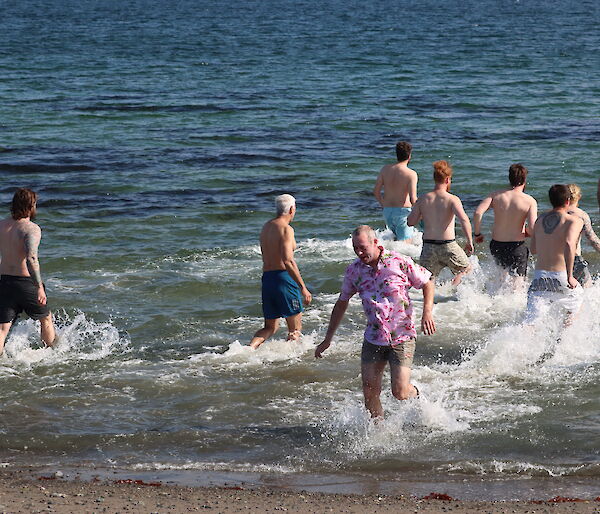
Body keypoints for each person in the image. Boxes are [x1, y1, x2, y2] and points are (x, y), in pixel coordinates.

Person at [314, 225, 435, 419]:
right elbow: (342, 302)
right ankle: (379, 434)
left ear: (375, 242)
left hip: (401, 336)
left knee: (400, 392)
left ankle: (419, 397)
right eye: (356, 249)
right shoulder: (354, 271)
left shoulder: (399, 262)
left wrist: (427, 312)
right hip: (374, 337)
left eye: (363, 247)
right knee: (370, 392)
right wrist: (328, 339)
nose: (359, 252)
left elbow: (427, 281)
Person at [249, 194, 312, 349]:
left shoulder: (266, 227)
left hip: (268, 280)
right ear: (292, 209)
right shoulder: (286, 229)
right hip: (284, 279)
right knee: (295, 329)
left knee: (270, 327)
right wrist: (303, 287)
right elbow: (288, 260)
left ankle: (249, 349)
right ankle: (293, 363)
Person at [0, 188, 56, 355]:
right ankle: (52, 355)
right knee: (45, 318)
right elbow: (31, 258)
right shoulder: (31, 228)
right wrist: (39, 286)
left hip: (4, 281)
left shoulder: (2, 225)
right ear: (31, 205)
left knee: (2, 327)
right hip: (25, 283)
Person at [407, 160, 473, 286]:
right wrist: (469, 241)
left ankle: (430, 303)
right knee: (466, 269)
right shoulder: (452, 199)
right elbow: (464, 220)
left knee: (428, 279)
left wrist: (422, 213)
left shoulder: (423, 199)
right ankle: (452, 290)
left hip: (428, 247)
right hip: (448, 246)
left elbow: (410, 222)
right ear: (447, 179)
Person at [525, 185, 583, 325]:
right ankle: (562, 341)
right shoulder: (574, 221)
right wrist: (570, 276)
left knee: (532, 321)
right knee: (577, 302)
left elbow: (533, 249)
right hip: (561, 276)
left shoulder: (540, 220)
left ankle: (517, 343)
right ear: (568, 201)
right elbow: (569, 244)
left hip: (539, 277)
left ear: (551, 200)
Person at [472, 164, 537, 285]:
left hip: (497, 245)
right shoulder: (529, 201)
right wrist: (527, 233)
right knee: (517, 283)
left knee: (500, 279)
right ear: (525, 179)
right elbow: (533, 228)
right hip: (517, 246)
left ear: (509, 178)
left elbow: (477, 212)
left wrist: (477, 233)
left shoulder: (495, 195)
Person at [373, 141, 418, 241]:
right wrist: (422, 211)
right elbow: (413, 199)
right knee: (405, 243)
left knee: (395, 241)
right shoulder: (411, 174)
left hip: (387, 211)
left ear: (397, 154)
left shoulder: (385, 169)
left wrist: (383, 204)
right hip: (403, 212)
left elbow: (376, 191)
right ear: (409, 155)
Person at [567, 183, 600, 287]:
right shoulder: (581, 215)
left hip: (556, 260)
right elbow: (592, 239)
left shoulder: (556, 214)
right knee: (587, 289)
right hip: (575, 259)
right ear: (579, 197)